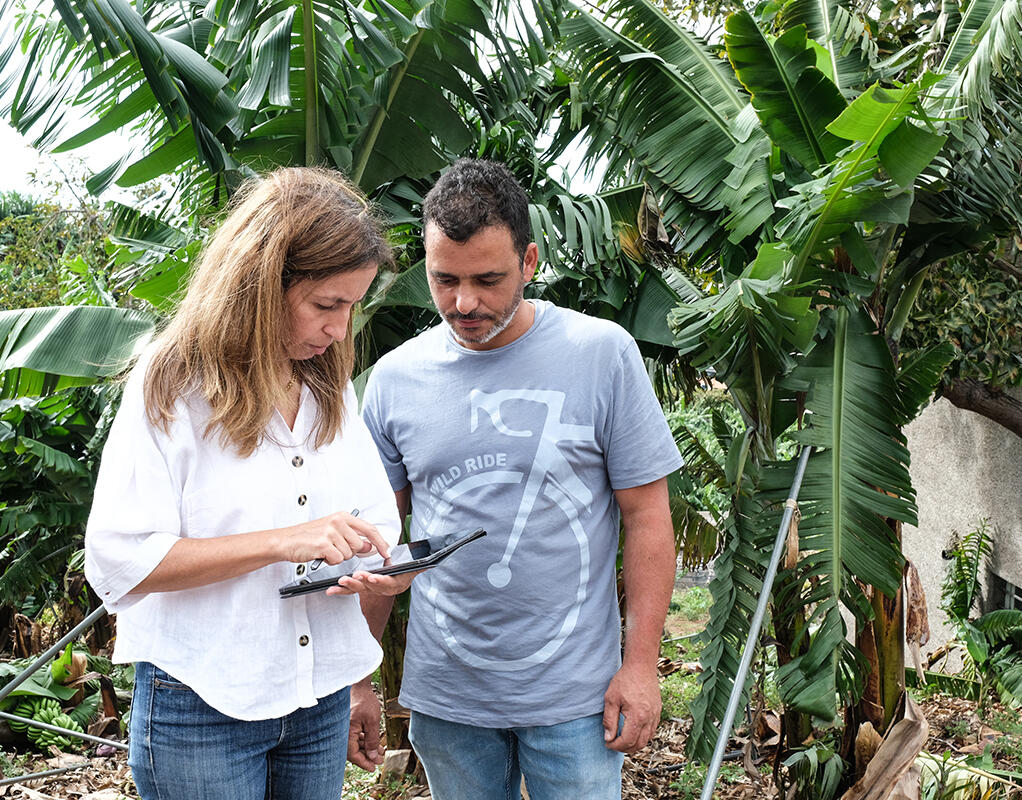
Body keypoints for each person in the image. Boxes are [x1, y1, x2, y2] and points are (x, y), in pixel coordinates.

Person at [359, 158, 683, 799]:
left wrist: (641, 666)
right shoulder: (395, 380)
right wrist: (356, 676)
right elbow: (377, 541)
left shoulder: (602, 353)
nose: (464, 302)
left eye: (488, 279)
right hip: (448, 698)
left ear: (530, 261)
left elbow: (648, 517)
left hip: (576, 699)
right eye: (443, 280)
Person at [84, 166, 405, 800]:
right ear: (261, 287)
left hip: (318, 696)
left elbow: (373, 515)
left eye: (351, 305)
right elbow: (119, 558)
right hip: (204, 699)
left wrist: (372, 560)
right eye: (326, 305)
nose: (341, 329)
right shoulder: (172, 385)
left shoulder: (325, 382)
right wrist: (283, 542)